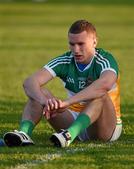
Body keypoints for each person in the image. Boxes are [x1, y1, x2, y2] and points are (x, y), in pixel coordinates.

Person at [3, 19, 122, 148]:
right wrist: (45, 102)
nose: (76, 50)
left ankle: (68, 135)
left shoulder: (104, 60)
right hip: (72, 119)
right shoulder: (65, 60)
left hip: (104, 126)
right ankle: (24, 134)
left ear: (94, 41)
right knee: (40, 92)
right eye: (72, 44)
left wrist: (67, 103)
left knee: (100, 95)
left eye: (81, 44)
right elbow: (29, 82)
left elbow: (104, 85)